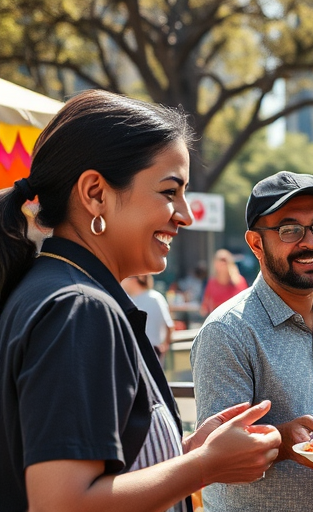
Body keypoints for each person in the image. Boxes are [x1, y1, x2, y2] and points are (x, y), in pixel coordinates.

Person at [0, 89, 280, 512]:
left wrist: (183, 451)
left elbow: (102, 471)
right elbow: (62, 502)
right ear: (95, 193)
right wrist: (204, 466)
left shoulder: (50, 288)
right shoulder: (79, 308)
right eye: (170, 192)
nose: (184, 214)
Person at [191, 171, 313, 512]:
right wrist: (284, 442)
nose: (311, 242)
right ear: (256, 244)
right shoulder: (227, 331)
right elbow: (215, 459)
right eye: (290, 230)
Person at [122, 274, 175, 362]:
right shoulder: (131, 299)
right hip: (139, 351)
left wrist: (164, 347)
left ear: (134, 279)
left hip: (151, 350)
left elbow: (169, 326)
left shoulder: (154, 298)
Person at [200, 249, 248, 315]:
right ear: (215, 264)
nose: (222, 263)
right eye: (220, 260)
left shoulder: (239, 281)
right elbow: (205, 305)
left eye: (224, 260)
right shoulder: (212, 282)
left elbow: (245, 303)